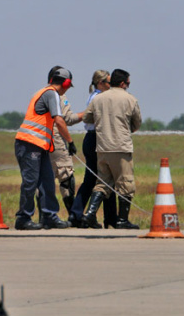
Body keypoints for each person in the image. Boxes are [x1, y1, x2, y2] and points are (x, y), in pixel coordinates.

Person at [13, 68, 77, 230]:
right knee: (30, 182)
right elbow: (59, 120)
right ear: (65, 83)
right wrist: (70, 142)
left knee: (47, 182)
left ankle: (49, 216)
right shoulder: (51, 94)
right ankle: (23, 218)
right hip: (29, 144)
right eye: (69, 85)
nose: (68, 89)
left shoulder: (46, 92)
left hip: (40, 146)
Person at [81, 69, 142, 229]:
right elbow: (137, 123)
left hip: (102, 147)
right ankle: (122, 220)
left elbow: (87, 118)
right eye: (128, 83)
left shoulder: (98, 98)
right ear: (122, 83)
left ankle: (90, 214)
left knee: (102, 182)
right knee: (125, 183)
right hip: (120, 147)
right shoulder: (130, 99)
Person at [68, 70, 119, 228]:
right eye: (109, 83)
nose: (111, 86)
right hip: (96, 138)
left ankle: (85, 215)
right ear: (100, 83)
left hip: (93, 138)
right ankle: (81, 215)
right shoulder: (99, 98)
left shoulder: (95, 96)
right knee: (102, 178)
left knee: (101, 179)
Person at [45, 66, 83, 221]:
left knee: (45, 178)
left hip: (42, 139)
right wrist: (88, 113)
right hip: (56, 139)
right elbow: (66, 119)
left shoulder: (41, 93)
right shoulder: (58, 96)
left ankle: (45, 215)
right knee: (66, 175)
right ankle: (73, 216)